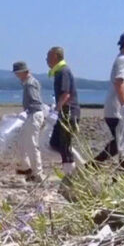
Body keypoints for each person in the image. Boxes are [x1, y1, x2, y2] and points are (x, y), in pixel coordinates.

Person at [92, 31, 124, 171]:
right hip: (119, 112)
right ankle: (118, 178)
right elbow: (119, 83)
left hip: (121, 112)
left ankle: (91, 169)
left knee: (121, 145)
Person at [46, 46, 80, 175]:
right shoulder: (59, 72)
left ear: (55, 56)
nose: (46, 60)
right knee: (55, 143)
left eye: (48, 57)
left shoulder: (63, 71)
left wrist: (56, 110)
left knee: (64, 144)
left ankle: (70, 175)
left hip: (69, 113)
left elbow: (66, 94)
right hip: (64, 113)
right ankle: (74, 167)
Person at [12, 61, 44, 182]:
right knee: (23, 142)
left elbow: (35, 102)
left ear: (22, 72)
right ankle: (28, 169)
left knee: (30, 144)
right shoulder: (29, 83)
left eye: (17, 73)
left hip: (33, 114)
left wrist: (25, 112)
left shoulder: (30, 84)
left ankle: (37, 173)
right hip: (32, 114)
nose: (16, 76)